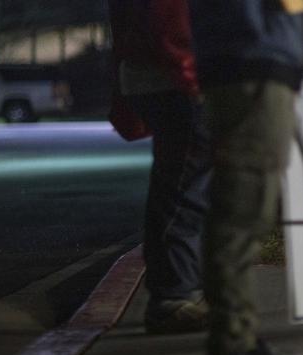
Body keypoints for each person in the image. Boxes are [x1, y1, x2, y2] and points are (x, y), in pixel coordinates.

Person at [188, 0, 303, 355]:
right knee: (241, 212)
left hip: (251, 58)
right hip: (252, 60)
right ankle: (231, 347)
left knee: (243, 211)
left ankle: (237, 339)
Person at [108, 0, 211, 335]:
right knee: (185, 188)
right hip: (175, 76)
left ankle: (177, 291)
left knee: (179, 183)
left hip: (160, 72)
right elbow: (172, 17)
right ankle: (174, 298)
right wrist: (191, 76)